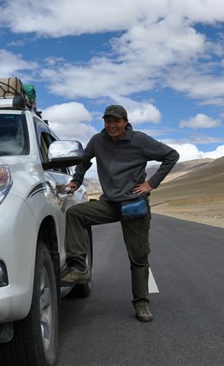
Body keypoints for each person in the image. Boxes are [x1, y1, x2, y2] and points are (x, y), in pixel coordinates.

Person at [61, 104, 179, 322]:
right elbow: (84, 161)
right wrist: (76, 181)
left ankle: (141, 303)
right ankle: (79, 268)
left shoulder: (140, 140)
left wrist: (151, 183)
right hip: (109, 204)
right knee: (76, 214)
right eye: (108, 121)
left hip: (134, 207)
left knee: (138, 257)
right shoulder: (98, 140)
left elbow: (171, 155)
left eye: (116, 121)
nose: (111, 125)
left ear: (125, 122)